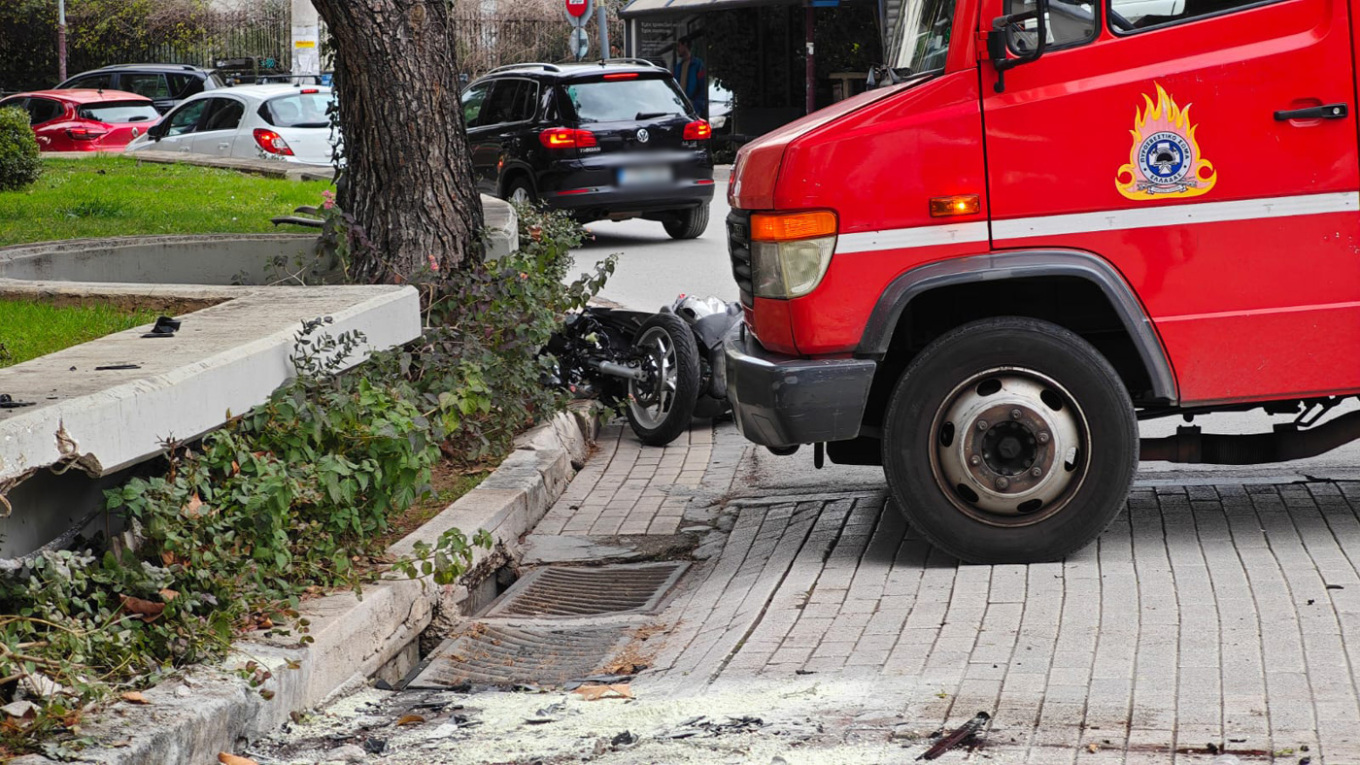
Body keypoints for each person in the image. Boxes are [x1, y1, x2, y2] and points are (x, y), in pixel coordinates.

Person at [672, 37, 707, 118]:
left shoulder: (698, 65)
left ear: (685, 45)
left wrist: (696, 104)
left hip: (694, 109)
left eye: (679, 46)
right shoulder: (677, 68)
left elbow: (703, 88)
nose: (677, 49)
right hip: (680, 108)